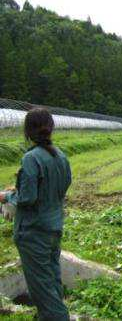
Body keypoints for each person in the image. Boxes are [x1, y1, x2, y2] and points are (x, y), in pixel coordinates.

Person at [0, 108, 72, 321]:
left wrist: (6, 197)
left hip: (34, 233)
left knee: (42, 291)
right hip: (53, 228)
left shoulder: (31, 158)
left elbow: (27, 199)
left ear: (28, 131)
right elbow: (61, 188)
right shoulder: (61, 156)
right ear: (51, 128)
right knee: (51, 282)